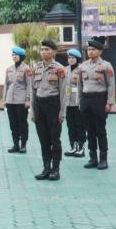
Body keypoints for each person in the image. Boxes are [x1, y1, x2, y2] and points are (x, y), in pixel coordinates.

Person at [30, 39, 68, 181]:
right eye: (42, 49)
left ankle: (55, 169)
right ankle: (46, 168)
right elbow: (32, 91)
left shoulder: (60, 69)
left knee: (54, 139)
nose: (44, 52)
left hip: (53, 105)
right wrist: (32, 111)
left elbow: (64, 92)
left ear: (54, 52)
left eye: (47, 49)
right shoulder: (36, 68)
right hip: (39, 105)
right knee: (43, 139)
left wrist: (62, 112)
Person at [77, 36, 115, 170]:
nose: (90, 52)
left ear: (100, 51)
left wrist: (109, 102)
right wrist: (79, 101)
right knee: (90, 130)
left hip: (100, 99)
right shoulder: (82, 66)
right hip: (86, 99)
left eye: (93, 49)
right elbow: (80, 85)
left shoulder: (106, 65)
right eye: (89, 49)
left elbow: (111, 84)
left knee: (100, 130)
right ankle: (93, 158)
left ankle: (103, 159)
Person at [3, 46, 32, 153]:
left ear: (21, 56)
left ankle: (23, 145)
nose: (14, 57)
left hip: (21, 101)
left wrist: (28, 99)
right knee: (13, 124)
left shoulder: (27, 69)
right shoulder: (9, 69)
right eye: (13, 55)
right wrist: (4, 99)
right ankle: (16, 144)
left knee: (22, 123)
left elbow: (29, 85)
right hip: (10, 101)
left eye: (16, 55)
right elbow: (6, 85)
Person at [63, 49, 86, 158]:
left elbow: (84, 86)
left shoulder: (82, 69)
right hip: (68, 102)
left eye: (73, 58)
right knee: (70, 125)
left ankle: (81, 148)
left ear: (77, 59)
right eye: (69, 58)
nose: (70, 60)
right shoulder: (65, 70)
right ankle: (73, 147)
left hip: (78, 102)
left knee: (80, 125)